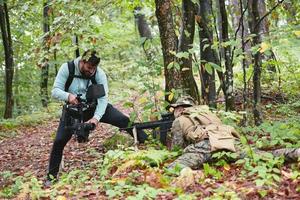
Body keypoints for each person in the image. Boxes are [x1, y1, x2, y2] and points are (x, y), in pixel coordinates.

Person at [47, 50, 147, 182]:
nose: (91, 71)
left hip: (94, 106)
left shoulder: (99, 74)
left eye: (94, 68)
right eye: (89, 67)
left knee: (123, 120)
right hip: (73, 110)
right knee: (59, 141)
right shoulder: (68, 68)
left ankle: (147, 141)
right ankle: (51, 177)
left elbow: (103, 99)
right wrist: (68, 96)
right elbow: (55, 91)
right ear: (82, 62)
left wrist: (96, 118)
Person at [168, 96, 300, 169]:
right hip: (229, 143)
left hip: (206, 147)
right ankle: (296, 153)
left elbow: (176, 149)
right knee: (263, 155)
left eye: (175, 108)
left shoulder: (180, 119)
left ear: (180, 108)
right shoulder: (208, 114)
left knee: (174, 168)